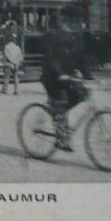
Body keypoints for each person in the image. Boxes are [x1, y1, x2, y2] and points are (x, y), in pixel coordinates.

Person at [39, 22, 86, 151]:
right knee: (60, 102)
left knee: (79, 95)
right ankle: (60, 136)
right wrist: (60, 74)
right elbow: (51, 60)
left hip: (64, 78)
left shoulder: (73, 42)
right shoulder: (54, 41)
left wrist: (89, 77)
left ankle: (59, 117)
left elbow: (80, 61)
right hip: (51, 78)